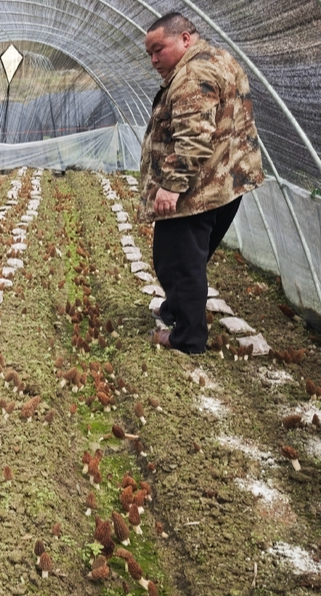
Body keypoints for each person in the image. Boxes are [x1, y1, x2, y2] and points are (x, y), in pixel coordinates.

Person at [139, 12, 263, 354]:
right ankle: (174, 310)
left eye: (158, 49)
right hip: (227, 181)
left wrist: (171, 186)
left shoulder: (193, 74)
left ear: (185, 39)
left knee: (177, 261)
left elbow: (193, 138)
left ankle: (188, 337)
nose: (153, 60)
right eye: (149, 53)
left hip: (198, 190)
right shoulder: (219, 58)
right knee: (189, 258)